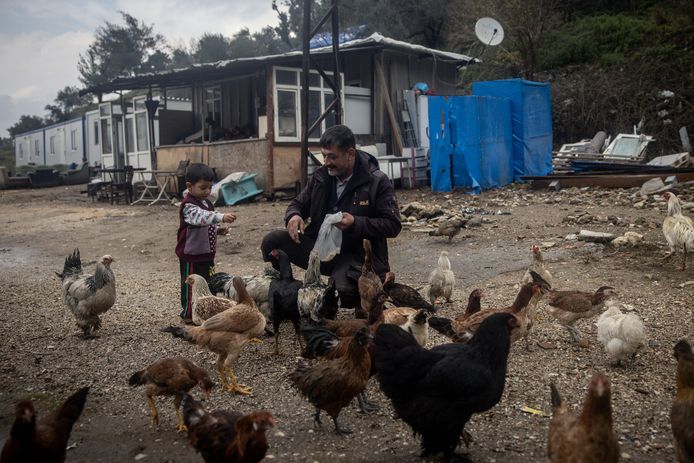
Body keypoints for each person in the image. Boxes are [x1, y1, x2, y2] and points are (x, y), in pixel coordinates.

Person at [261, 125, 401, 313]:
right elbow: (298, 203)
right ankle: (286, 291)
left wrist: (355, 223)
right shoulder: (321, 177)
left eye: (332, 157)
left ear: (350, 153)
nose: (326, 162)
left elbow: (392, 225)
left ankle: (361, 294)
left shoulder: (376, 181)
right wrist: (294, 216)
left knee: (344, 291)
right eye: (324, 155)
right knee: (272, 241)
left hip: (356, 254)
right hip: (321, 248)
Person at [176, 163, 236, 323]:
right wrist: (220, 217)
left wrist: (217, 229)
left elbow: (205, 223)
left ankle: (207, 311)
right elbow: (200, 218)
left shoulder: (207, 203)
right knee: (192, 285)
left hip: (207, 254)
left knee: (208, 283)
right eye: (203, 188)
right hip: (191, 255)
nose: (208, 191)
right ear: (189, 186)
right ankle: (188, 315)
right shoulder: (189, 205)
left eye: (210, 187)